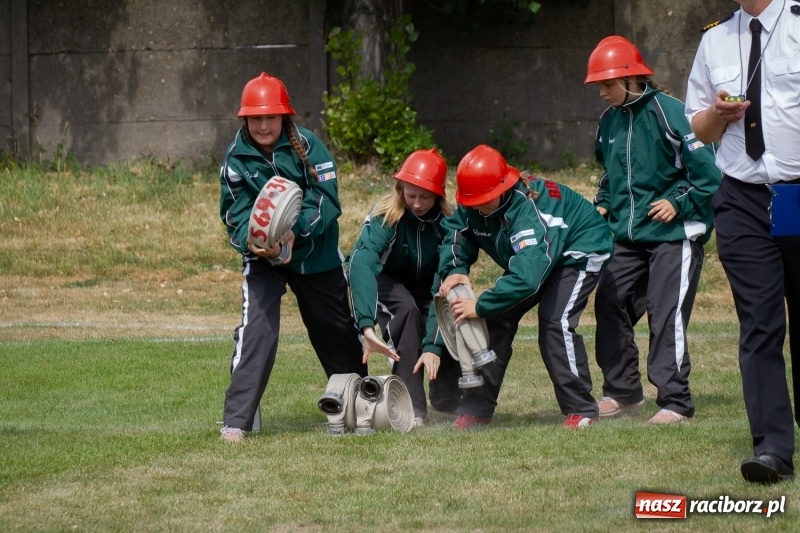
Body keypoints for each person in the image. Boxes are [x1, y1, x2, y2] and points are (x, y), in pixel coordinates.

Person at [415, 144, 614, 429]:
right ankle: (476, 409)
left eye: (483, 200)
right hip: (535, 257)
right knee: (493, 321)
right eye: (471, 201)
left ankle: (581, 409)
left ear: (502, 188)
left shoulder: (527, 213)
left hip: (578, 251)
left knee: (554, 323)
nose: (476, 207)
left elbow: (527, 279)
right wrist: (456, 268)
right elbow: (456, 232)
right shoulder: (474, 200)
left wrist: (481, 304)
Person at [685, 0, 799, 483]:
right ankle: (772, 449)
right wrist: (718, 115)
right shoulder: (714, 38)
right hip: (743, 198)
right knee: (759, 323)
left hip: (797, 194)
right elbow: (697, 125)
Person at [218, 72, 366, 443]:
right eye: (255, 118)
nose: (263, 126)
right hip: (263, 260)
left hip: (315, 255)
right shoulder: (236, 158)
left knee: (334, 330)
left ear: (284, 116)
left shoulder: (310, 146)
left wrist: (294, 231)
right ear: (244, 119)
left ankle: (358, 407)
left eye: (271, 117)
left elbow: (328, 201)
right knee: (258, 329)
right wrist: (253, 242)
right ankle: (238, 420)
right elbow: (234, 214)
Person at [584, 36, 721, 425]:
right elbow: (610, 173)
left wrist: (678, 201)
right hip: (626, 238)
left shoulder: (672, 112)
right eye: (598, 85)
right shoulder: (608, 121)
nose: (602, 92)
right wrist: (603, 201)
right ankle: (622, 392)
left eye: (608, 83)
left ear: (632, 78)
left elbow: (710, 173)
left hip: (674, 236)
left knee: (665, 314)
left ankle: (676, 401)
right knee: (609, 304)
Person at [347, 149, 462, 426]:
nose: (418, 204)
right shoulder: (385, 217)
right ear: (400, 189)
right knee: (407, 312)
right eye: (411, 195)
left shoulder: (449, 224)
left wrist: (432, 346)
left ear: (439, 195)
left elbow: (444, 284)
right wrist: (365, 326)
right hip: (385, 279)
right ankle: (411, 408)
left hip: (428, 284)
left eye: (425, 197)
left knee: (454, 313)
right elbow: (361, 264)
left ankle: (449, 398)